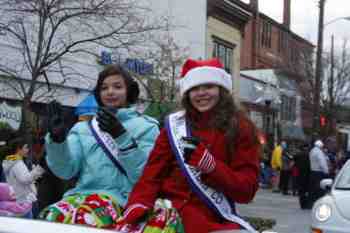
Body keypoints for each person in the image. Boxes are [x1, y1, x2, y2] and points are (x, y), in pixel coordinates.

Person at [116, 58, 261, 233]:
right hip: (169, 214)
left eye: (208, 86)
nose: (201, 93)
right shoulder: (174, 125)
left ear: (222, 90)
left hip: (213, 218)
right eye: (194, 89)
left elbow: (246, 191)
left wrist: (212, 166)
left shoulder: (241, 127)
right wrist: (138, 203)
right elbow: (152, 175)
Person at [39, 64, 160, 229]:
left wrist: (121, 136)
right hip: (80, 196)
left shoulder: (146, 127)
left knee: (84, 219)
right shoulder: (83, 128)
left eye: (117, 87)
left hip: (122, 201)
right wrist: (57, 141)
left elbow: (143, 177)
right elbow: (65, 171)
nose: (110, 92)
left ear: (129, 91)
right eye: (104, 88)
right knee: (48, 217)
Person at [2, 138, 45, 218]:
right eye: (26, 147)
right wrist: (39, 169)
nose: (28, 150)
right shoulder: (17, 163)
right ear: (19, 149)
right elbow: (25, 179)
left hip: (18, 199)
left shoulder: (11, 160)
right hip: (24, 200)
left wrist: (33, 172)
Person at [309, 140, 329, 206]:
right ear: (321, 146)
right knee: (319, 188)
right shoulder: (319, 152)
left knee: (313, 188)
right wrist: (326, 171)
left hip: (312, 172)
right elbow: (322, 162)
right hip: (319, 172)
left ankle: (312, 201)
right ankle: (318, 202)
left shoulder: (312, 151)